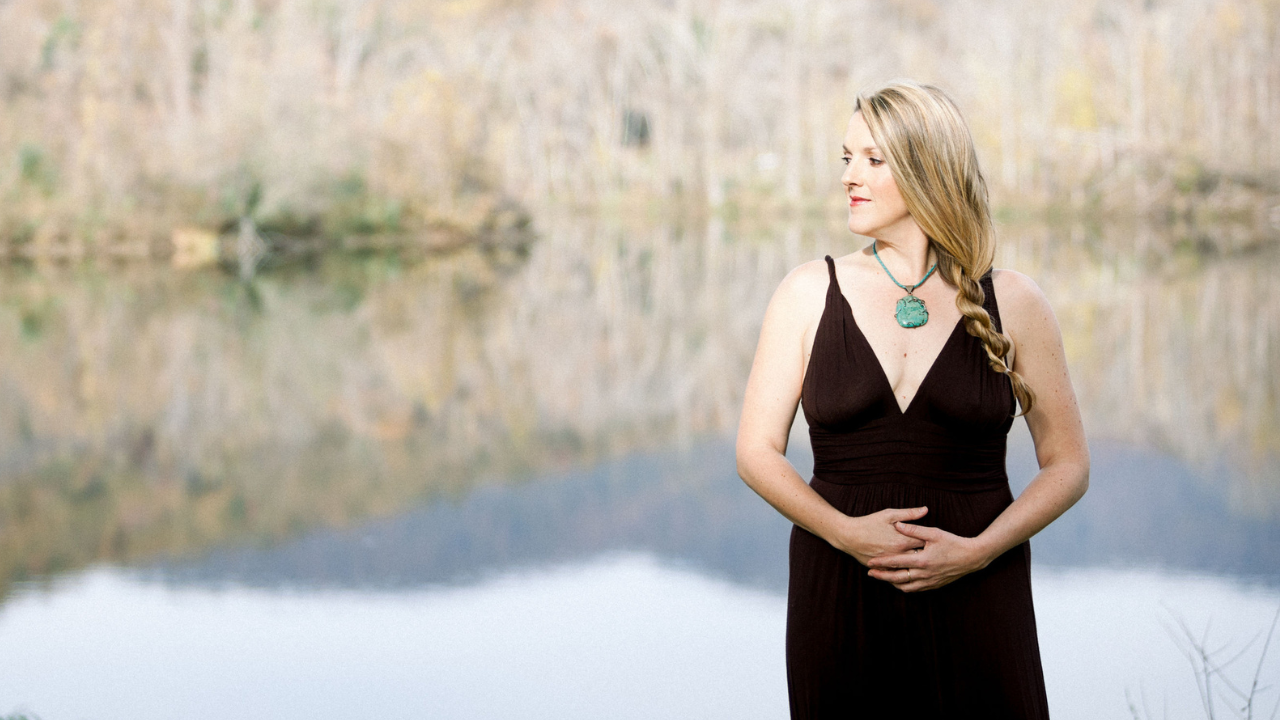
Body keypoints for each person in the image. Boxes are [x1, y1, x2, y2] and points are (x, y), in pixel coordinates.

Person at [734, 80, 1090, 718]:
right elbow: (755, 453)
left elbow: (1068, 465)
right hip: (840, 585)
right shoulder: (808, 292)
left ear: (928, 170)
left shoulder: (1014, 301)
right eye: (847, 157)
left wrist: (979, 552)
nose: (850, 176)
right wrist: (846, 535)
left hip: (980, 588)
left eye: (873, 160)